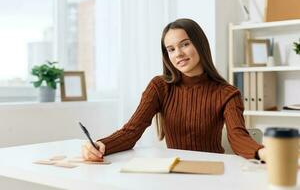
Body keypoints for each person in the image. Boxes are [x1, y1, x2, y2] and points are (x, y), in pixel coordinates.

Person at [82, 18, 264, 161]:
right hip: (174, 174)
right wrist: (100, 145)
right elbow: (131, 132)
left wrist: (263, 154)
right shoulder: (159, 87)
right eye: (171, 49)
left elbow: (238, 137)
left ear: (200, 45)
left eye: (185, 44)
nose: (178, 54)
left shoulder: (227, 93)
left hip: (212, 175)